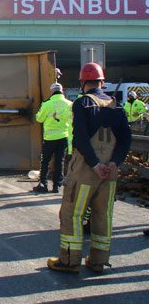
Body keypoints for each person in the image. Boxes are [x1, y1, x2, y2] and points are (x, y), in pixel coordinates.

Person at [47, 62, 131, 274]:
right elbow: (125, 139)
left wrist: (95, 164)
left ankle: (69, 260)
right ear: (102, 81)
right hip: (110, 171)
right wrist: (114, 163)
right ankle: (97, 261)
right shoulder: (116, 105)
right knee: (103, 215)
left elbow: (82, 139)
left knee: (73, 213)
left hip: (86, 170)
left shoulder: (82, 104)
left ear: (83, 82)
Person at [33, 82, 73, 193]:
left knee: (45, 161)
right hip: (63, 137)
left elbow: (39, 119)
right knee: (59, 161)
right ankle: (57, 186)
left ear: (52, 91)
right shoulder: (69, 104)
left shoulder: (47, 104)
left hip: (50, 138)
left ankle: (43, 185)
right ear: (62, 90)